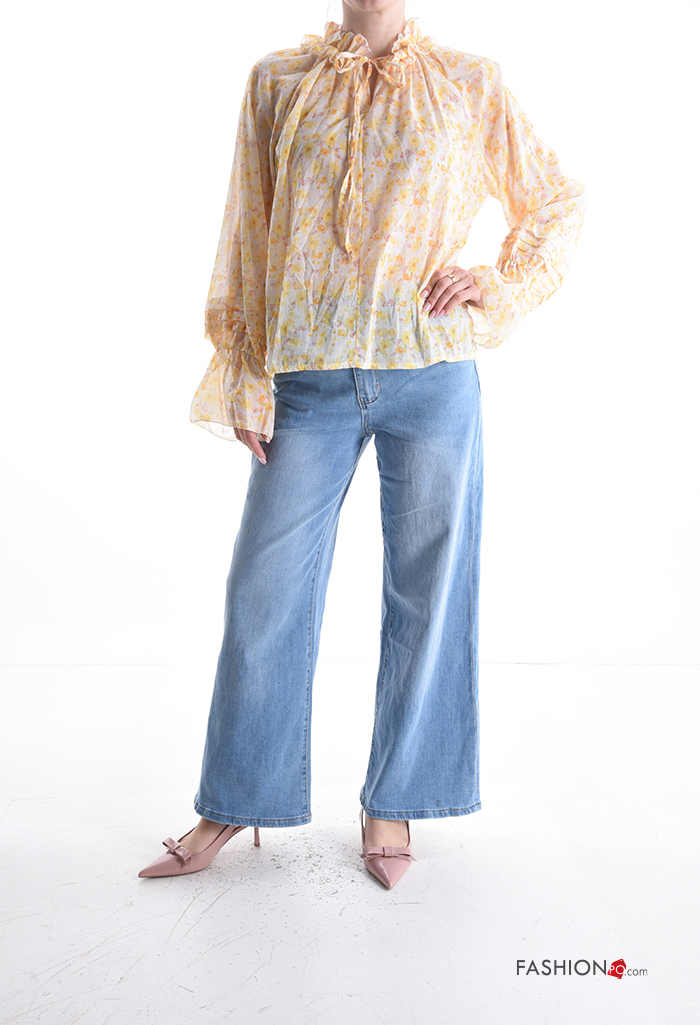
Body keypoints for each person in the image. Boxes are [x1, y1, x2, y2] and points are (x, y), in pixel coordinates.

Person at [139, 0, 586, 889]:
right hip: (307, 379)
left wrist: (492, 281)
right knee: (265, 588)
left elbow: (556, 199)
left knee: (431, 589)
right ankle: (235, 796)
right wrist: (245, 371)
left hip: (432, 375)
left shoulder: (468, 81)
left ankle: (397, 799)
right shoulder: (278, 82)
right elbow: (247, 234)